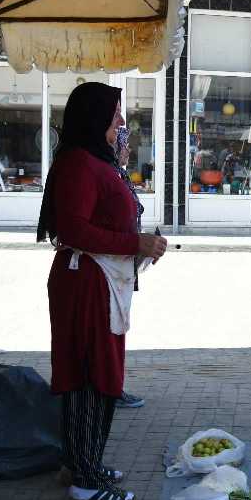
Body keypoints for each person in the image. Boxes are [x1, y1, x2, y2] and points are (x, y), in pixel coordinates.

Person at [37, 82, 167, 500]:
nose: (122, 122)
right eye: (115, 115)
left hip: (96, 280)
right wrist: (137, 245)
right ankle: (86, 482)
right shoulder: (79, 164)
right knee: (94, 378)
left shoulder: (95, 160)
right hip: (86, 282)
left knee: (90, 375)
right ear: (94, 118)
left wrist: (142, 245)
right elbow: (73, 230)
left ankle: (81, 463)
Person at [112, 127, 146, 410]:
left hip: (125, 262)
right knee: (113, 325)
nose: (129, 150)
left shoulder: (119, 175)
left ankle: (114, 384)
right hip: (111, 265)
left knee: (120, 324)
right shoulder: (109, 175)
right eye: (124, 145)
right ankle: (110, 386)